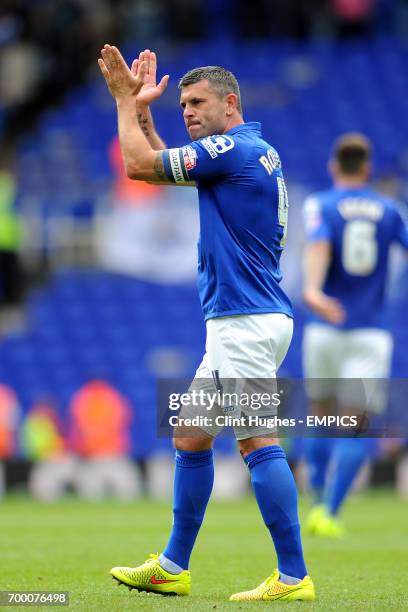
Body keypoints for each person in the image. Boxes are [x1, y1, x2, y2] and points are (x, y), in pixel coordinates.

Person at [98, 45, 315, 601]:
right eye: (183, 104)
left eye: (197, 103)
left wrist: (124, 102)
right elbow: (164, 164)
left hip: (244, 320)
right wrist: (145, 114)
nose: (188, 112)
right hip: (244, 318)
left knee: (256, 441)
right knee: (191, 436)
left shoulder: (235, 151)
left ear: (230, 103)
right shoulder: (247, 153)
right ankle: (173, 564)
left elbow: (138, 167)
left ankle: (294, 575)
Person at [302, 133, 408, 537]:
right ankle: (330, 512)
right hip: (369, 334)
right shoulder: (390, 210)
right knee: (354, 425)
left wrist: (313, 290)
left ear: (334, 167)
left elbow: (319, 245)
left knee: (320, 415)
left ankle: (313, 503)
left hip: (325, 328)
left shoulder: (321, 204)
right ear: (367, 169)